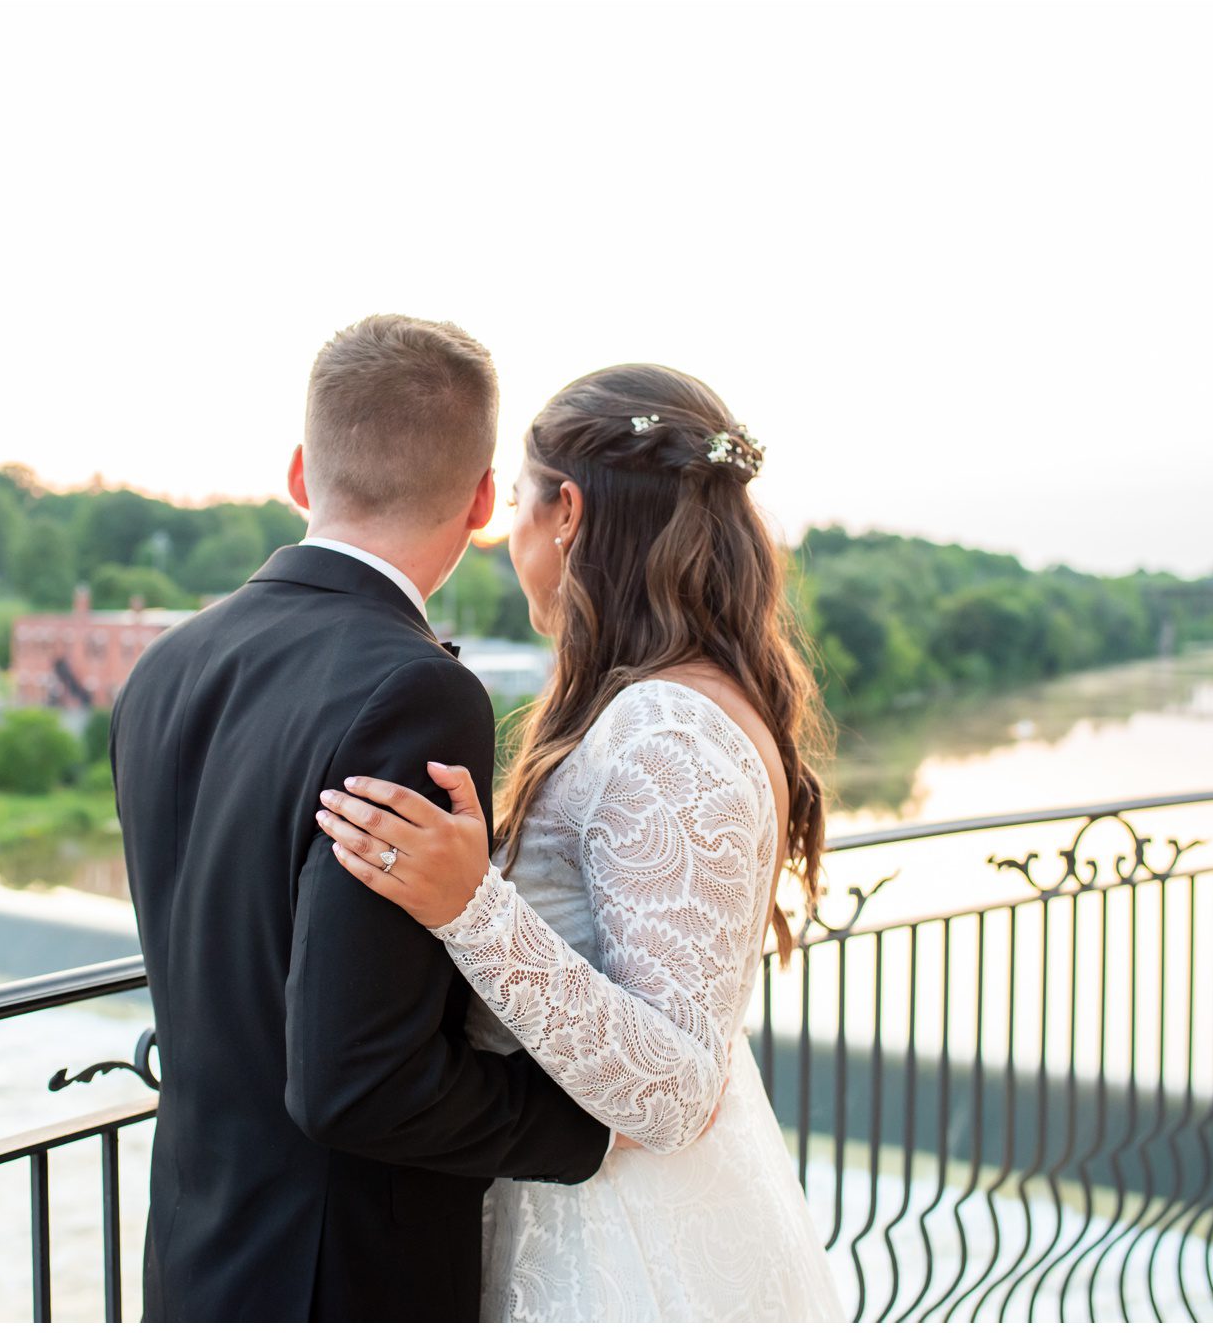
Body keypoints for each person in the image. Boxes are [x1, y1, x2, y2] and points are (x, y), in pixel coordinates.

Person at [314, 362, 848, 1321]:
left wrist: (470, 907)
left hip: (625, 1248)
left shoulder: (665, 731)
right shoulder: (678, 702)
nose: (503, 533)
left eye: (517, 500)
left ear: (565, 511)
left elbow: (679, 1090)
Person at [109, 315, 611, 1322]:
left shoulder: (166, 664)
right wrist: (583, 1126)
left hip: (190, 1256)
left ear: (300, 473)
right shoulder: (412, 692)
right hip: (339, 1275)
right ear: (478, 502)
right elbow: (358, 1083)